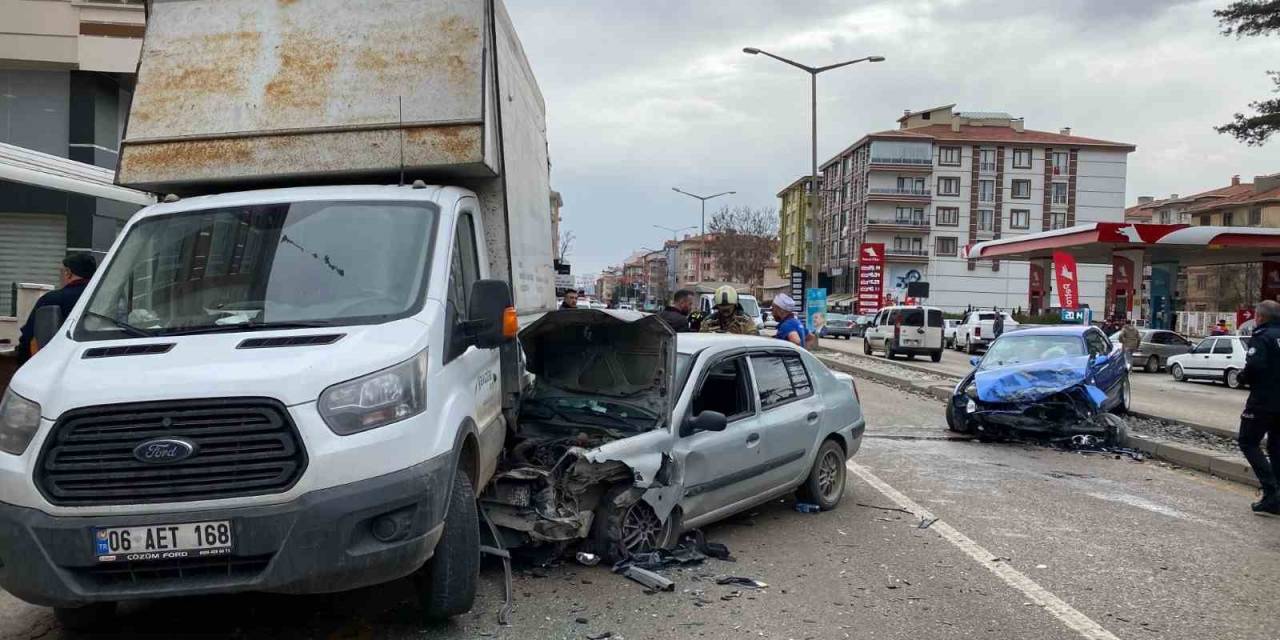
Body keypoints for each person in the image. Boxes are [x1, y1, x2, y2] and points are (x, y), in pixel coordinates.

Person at [1239, 300, 1280, 516]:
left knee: (1247, 441)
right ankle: (1277, 496)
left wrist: (1242, 377)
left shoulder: (1262, 336)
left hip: (1264, 401)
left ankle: (1272, 492)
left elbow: (1255, 366)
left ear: (1261, 317)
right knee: (1276, 448)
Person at [18, 253, 97, 364]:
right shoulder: (104, 300)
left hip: (56, 364)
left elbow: (28, 338)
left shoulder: (51, 299)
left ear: (68, 273)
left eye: (63, 271)